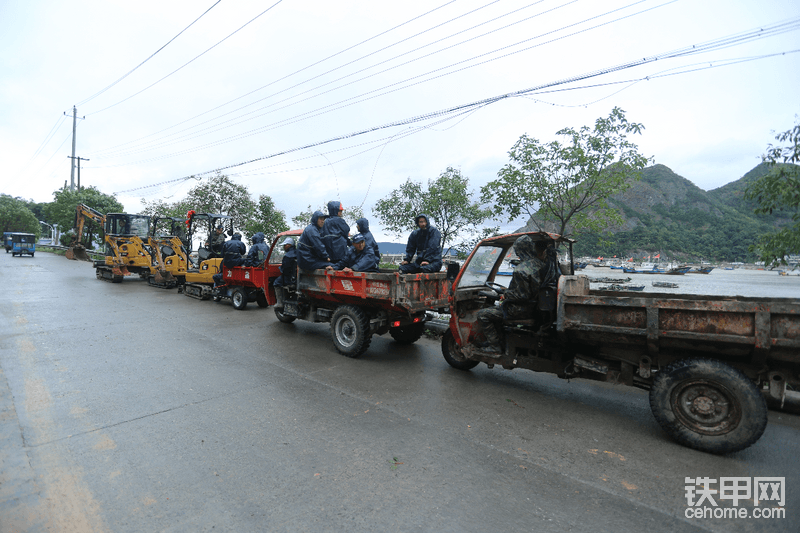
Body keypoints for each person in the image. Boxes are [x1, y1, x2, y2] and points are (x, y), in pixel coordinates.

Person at [476, 236, 560, 354]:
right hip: (536, 308)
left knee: (482, 314)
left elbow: (522, 296)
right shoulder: (541, 264)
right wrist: (508, 291)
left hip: (521, 310)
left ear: (519, 250)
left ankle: (494, 346)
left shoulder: (521, 269)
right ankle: (499, 340)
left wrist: (506, 294)